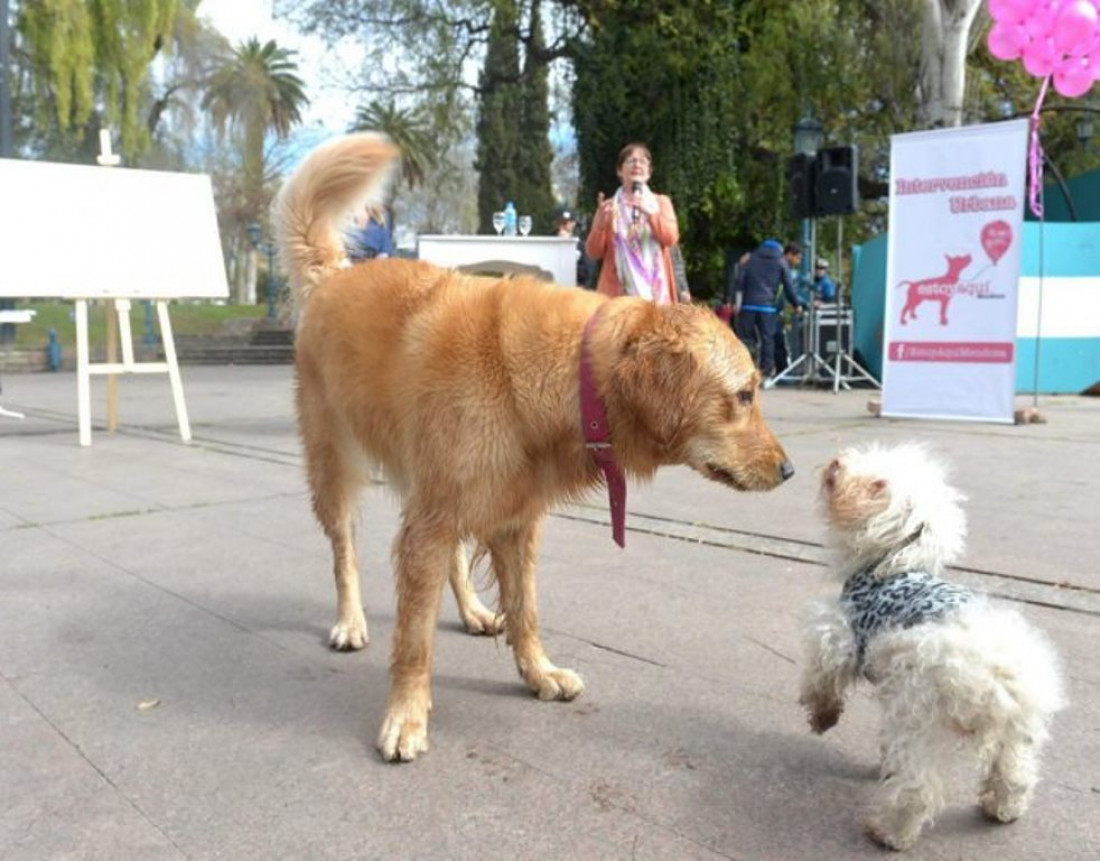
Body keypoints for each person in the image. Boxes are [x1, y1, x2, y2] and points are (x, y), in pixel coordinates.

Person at [584, 142, 681, 303]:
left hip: (656, 294)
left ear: (649, 172)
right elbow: (593, 252)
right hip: (618, 296)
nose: (637, 164)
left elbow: (670, 239)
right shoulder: (608, 207)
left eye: (643, 161)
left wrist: (651, 215)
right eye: (630, 160)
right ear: (620, 171)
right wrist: (599, 226)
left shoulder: (661, 203)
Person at [731, 239, 807, 380]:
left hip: (748, 306)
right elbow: (788, 287)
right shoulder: (780, 263)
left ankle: (742, 370)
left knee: (745, 339)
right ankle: (765, 373)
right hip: (767, 308)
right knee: (767, 340)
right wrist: (797, 305)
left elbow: (739, 281)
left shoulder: (750, 259)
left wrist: (736, 302)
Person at [556, 209, 591, 288]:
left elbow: (587, 272)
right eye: (562, 223)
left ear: (573, 224)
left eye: (567, 223)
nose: (563, 226)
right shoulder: (550, 243)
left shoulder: (580, 245)